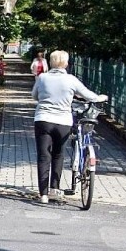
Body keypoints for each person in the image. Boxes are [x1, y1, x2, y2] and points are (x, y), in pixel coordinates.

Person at [32, 50, 107, 204]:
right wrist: (101, 97)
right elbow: (88, 95)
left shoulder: (42, 78)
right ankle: (54, 189)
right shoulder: (71, 80)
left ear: (51, 62)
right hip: (63, 122)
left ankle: (43, 195)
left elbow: (35, 96)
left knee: (43, 156)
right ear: (65, 63)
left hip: (43, 120)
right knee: (58, 154)